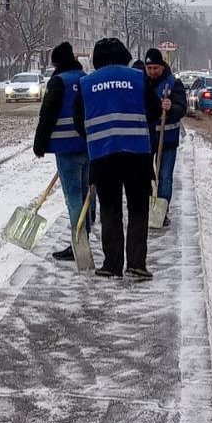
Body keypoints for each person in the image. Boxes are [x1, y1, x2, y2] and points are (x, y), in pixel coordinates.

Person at [73, 38, 162, 280]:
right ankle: (136, 264)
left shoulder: (86, 83)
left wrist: (96, 136)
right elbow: (154, 111)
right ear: (124, 55)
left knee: (110, 210)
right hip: (137, 155)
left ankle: (112, 265)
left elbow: (79, 121)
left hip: (103, 156)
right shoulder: (138, 77)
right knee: (137, 209)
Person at [33, 42, 92, 261]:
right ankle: (84, 235)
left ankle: (78, 245)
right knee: (86, 194)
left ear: (56, 62)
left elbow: (47, 115)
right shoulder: (85, 79)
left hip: (66, 148)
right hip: (87, 146)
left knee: (73, 197)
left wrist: (39, 145)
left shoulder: (58, 82)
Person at [143, 48, 187, 226]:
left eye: (155, 68)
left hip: (167, 138)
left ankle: (162, 211)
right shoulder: (141, 82)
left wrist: (171, 107)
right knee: (145, 175)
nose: (152, 72)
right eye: (149, 68)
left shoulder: (173, 83)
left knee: (165, 175)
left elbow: (182, 108)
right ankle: (146, 208)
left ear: (162, 67)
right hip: (146, 139)